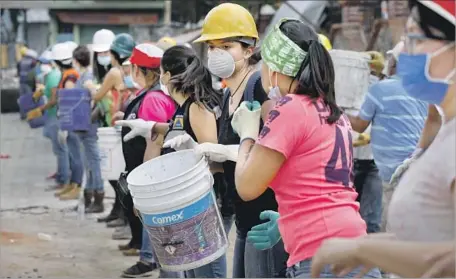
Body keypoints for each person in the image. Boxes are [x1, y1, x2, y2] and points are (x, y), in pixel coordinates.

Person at [311, 0, 455, 277]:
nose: (407, 53)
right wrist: (368, 244)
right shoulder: (445, 131)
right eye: (406, 40)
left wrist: (364, 251)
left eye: (416, 38)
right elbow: (431, 240)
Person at [229, 18, 381, 278]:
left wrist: (247, 135)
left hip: (321, 260)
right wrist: (289, 222)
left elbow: (246, 187)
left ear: (275, 69)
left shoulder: (290, 108)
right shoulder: (333, 112)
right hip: (355, 249)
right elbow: (320, 185)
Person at [192, 4, 288, 277]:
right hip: (244, 218)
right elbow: (231, 165)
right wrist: (202, 155)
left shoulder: (259, 87)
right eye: (211, 47)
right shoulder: (225, 96)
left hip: (266, 218)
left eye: (227, 46)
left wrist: (226, 150)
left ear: (249, 50)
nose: (217, 54)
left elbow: (276, 149)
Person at [117, 45, 224, 278]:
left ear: (166, 75)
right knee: (194, 268)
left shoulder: (197, 106)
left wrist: (193, 150)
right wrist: (153, 128)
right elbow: (179, 128)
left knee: (206, 269)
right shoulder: (186, 107)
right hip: (192, 200)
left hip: (205, 202)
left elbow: (214, 158)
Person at [346, 40, 428, 231]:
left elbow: (359, 125)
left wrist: (336, 112)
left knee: (393, 229)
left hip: (393, 172)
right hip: (417, 166)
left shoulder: (379, 90)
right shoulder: (422, 90)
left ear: (394, 63)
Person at [113, 43, 176, 277]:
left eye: (132, 69)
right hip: (144, 169)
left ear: (140, 70)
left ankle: (149, 259)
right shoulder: (148, 95)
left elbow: (156, 139)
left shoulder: (153, 98)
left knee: (153, 219)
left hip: (149, 171)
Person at [86, 33, 136, 229]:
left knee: (116, 174)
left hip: (116, 123)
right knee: (117, 173)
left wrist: (90, 87)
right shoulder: (126, 70)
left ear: (115, 53)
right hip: (119, 121)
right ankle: (118, 212)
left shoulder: (115, 72)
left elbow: (98, 95)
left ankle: (123, 215)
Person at [346, 51, 384, 234]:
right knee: (347, 219)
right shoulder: (339, 86)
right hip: (348, 160)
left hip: (371, 161)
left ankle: (369, 261)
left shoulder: (378, 87)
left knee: (370, 221)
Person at [71, 45, 105, 213]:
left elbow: (97, 99)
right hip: (83, 126)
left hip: (89, 126)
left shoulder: (88, 78)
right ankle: (89, 198)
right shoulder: (85, 76)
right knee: (89, 163)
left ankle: (98, 198)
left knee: (94, 162)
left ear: (76, 61)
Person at [31, 49, 67, 190]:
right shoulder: (52, 75)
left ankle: (63, 178)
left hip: (54, 115)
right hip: (53, 115)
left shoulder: (53, 76)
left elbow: (53, 100)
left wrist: (41, 109)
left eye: (44, 63)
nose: (42, 65)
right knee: (58, 148)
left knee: (60, 149)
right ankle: (61, 174)